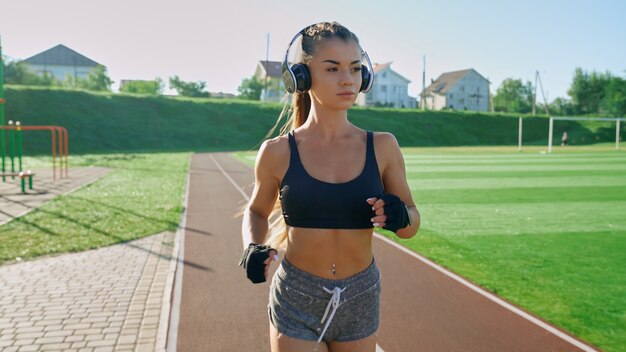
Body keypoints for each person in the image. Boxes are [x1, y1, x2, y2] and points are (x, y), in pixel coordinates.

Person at [239, 22, 420, 352]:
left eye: (354, 68)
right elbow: (256, 210)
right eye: (333, 68)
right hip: (297, 294)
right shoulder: (277, 151)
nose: (347, 79)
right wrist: (252, 245)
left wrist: (401, 217)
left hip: (361, 295)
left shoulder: (383, 147)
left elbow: (411, 223)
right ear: (301, 77)